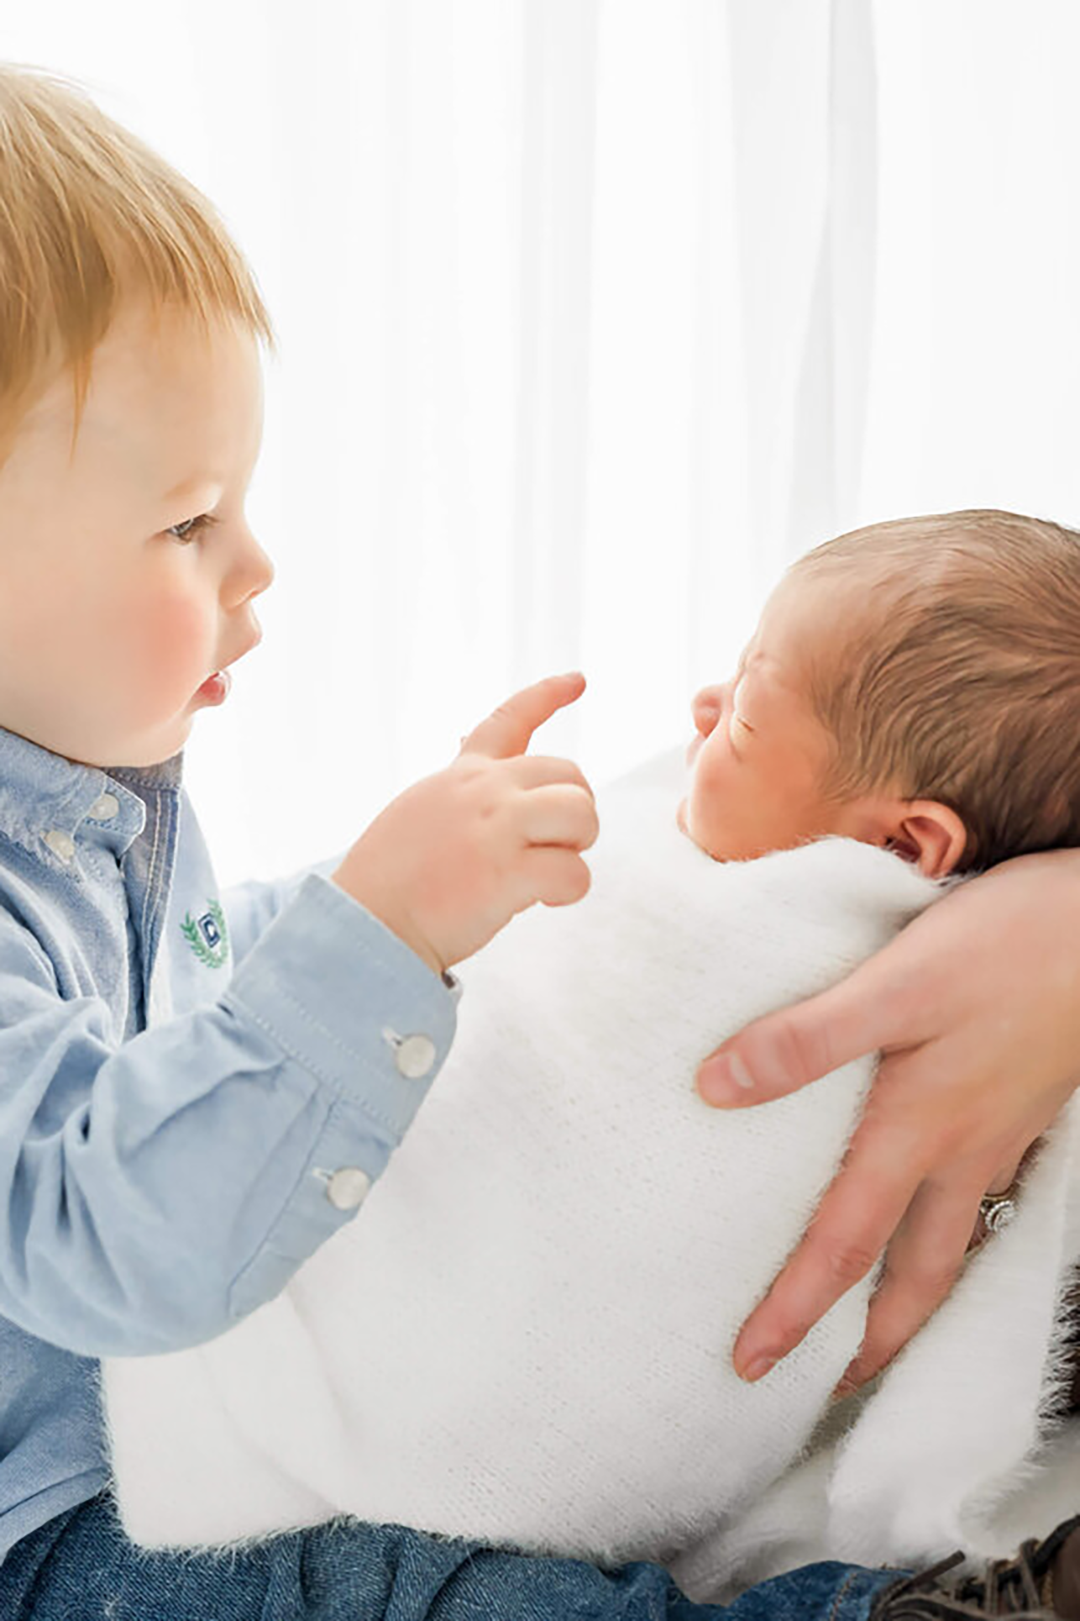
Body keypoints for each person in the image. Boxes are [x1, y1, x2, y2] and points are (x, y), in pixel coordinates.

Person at [0, 54, 1074, 1621]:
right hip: (51, 1509)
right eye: (187, 521)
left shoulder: (96, 800)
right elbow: (103, 1245)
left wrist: (433, 907)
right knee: (387, 1600)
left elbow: (180, 1014)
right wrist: (371, 942)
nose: (258, 566)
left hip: (212, 1370)